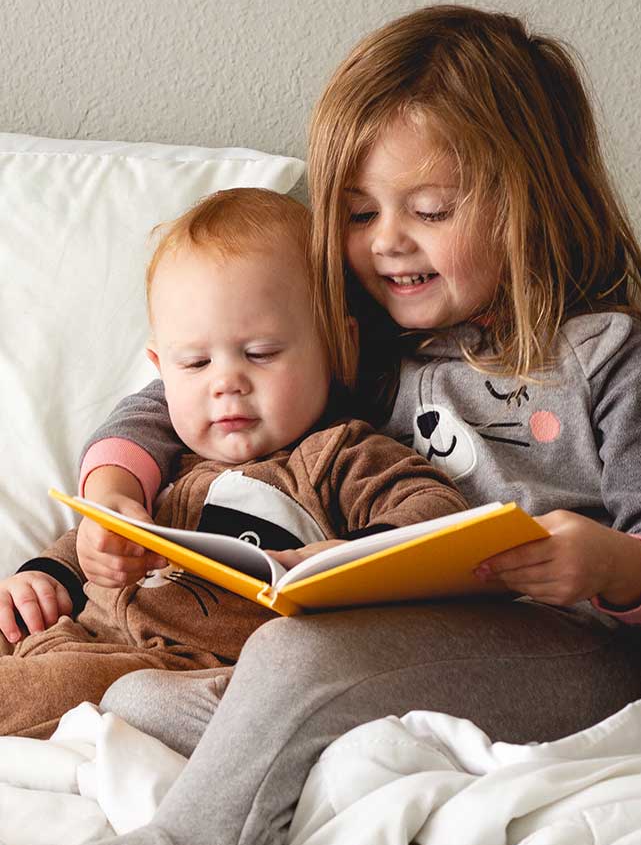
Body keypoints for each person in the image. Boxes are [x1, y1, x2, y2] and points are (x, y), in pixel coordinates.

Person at [0, 6, 641, 845]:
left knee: (297, 658)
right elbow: (183, 392)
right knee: (146, 695)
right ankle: (266, 740)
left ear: (528, 199)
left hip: (563, 649)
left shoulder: (606, 357)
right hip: (377, 643)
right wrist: (115, 487)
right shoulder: (362, 343)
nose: (387, 239)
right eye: (357, 212)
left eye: (429, 210)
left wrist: (613, 564)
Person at [0, 187, 467, 738]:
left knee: (37, 691)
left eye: (261, 354)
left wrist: (344, 559)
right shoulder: (167, 460)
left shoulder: (339, 455)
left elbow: (437, 507)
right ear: (160, 368)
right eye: (195, 362)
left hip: (192, 666)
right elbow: (91, 540)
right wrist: (45, 576)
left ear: (338, 345)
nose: (226, 383)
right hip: (82, 634)